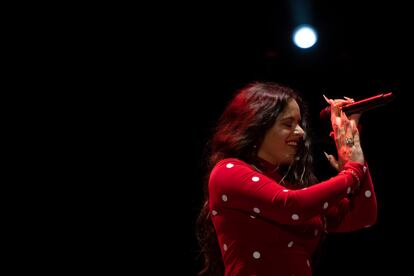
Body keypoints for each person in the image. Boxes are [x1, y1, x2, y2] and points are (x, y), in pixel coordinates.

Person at [196, 81, 377, 276]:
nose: (300, 132)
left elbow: (363, 216)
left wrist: (352, 150)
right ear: (257, 126)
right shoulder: (227, 171)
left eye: (299, 124)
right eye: (288, 124)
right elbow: (291, 206)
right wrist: (352, 173)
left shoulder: (291, 185)